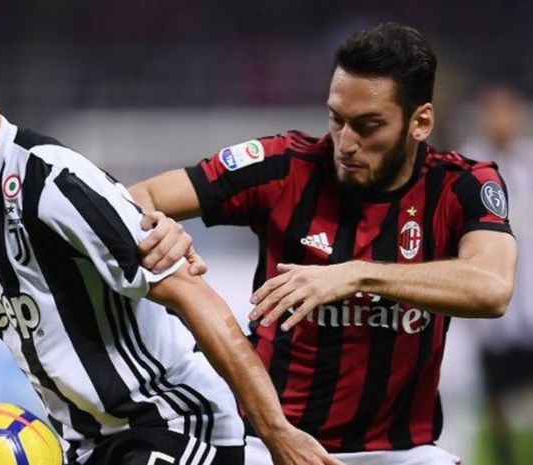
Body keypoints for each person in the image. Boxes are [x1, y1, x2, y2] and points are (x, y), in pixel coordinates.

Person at [0, 1, 343, 465]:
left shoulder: (54, 183)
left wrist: (277, 433)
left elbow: (192, 294)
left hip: (174, 424)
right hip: (87, 445)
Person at [129, 23, 517, 465]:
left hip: (404, 453)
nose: (346, 143)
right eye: (337, 118)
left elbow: (491, 287)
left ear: (420, 122)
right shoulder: (282, 166)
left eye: (369, 126)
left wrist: (354, 274)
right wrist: (161, 227)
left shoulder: (463, 185)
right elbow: (137, 198)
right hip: (271, 445)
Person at [460, 84, 533, 465]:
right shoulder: (470, 168)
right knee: (497, 403)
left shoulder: (530, 164)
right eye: (493, 111)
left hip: (531, 307)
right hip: (493, 313)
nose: (501, 120)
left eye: (508, 110)